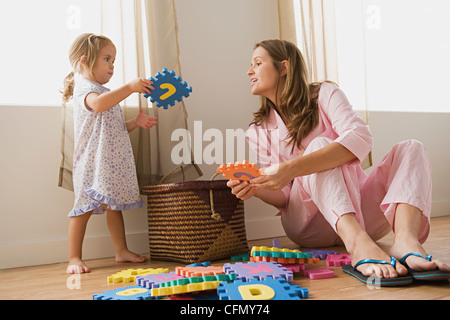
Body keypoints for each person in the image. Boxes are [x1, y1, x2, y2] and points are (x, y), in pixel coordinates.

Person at [228, 39, 450, 284]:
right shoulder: (258, 131)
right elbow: (284, 196)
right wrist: (257, 188)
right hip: (308, 225)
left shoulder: (325, 93)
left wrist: (291, 168)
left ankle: (406, 241)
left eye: (257, 63)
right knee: (320, 146)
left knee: (412, 147)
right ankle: (356, 242)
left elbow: (360, 136)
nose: (250, 71)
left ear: (284, 68)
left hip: (361, 214)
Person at [62, 33, 157, 274]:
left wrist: (135, 122)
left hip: (107, 163)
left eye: (114, 60)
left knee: (113, 207)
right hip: (91, 163)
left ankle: (121, 250)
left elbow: (113, 128)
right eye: (107, 59)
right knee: (82, 208)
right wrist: (130, 87)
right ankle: (73, 257)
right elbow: (98, 105)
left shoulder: (102, 91)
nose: (112, 65)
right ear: (85, 61)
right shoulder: (86, 89)